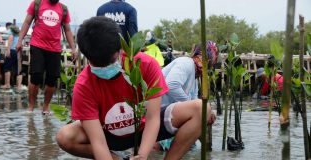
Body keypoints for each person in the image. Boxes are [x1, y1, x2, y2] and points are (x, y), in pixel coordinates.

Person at [56, 17, 215, 160]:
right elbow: (98, 142)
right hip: (108, 134)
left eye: (110, 62)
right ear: (88, 57)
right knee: (65, 136)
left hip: (144, 125)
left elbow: (153, 118)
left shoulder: (146, 65)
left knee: (202, 109)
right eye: (98, 65)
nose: (106, 69)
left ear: (120, 50)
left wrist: (142, 156)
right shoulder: (83, 85)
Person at [16, 0, 77, 114]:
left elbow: (67, 29)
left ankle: (45, 106)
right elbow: (27, 22)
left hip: (54, 48)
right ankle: (31, 106)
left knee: (52, 80)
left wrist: (73, 48)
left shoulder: (63, 9)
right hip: (37, 45)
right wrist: (20, 40)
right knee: (36, 76)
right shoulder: (37, 3)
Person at [156, 43, 217, 151]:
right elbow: (171, 85)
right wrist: (191, 106)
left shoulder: (194, 77)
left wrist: (209, 113)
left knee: (204, 111)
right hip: (156, 112)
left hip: (166, 114)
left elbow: (193, 100)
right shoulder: (186, 62)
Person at [0, 25, 22, 90]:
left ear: (12, 30)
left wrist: (8, 51)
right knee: (18, 70)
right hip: (18, 52)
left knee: (7, 67)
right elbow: (21, 45)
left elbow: (9, 44)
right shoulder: (19, 37)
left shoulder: (11, 35)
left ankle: (7, 84)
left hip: (12, 51)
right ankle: (19, 86)